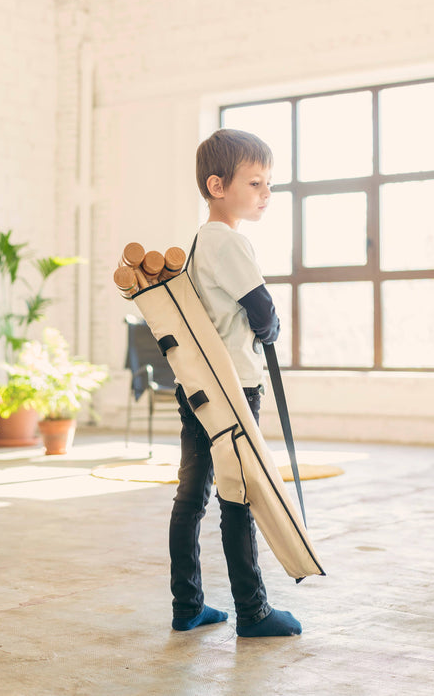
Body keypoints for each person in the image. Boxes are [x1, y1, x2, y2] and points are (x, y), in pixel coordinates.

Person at [169, 127, 302, 638]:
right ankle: (253, 610)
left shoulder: (200, 242)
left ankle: (188, 606)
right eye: (256, 182)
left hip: (199, 384)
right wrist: (271, 328)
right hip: (236, 387)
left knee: (191, 495)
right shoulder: (231, 242)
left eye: (268, 183)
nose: (266, 193)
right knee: (238, 494)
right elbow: (263, 312)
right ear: (218, 185)